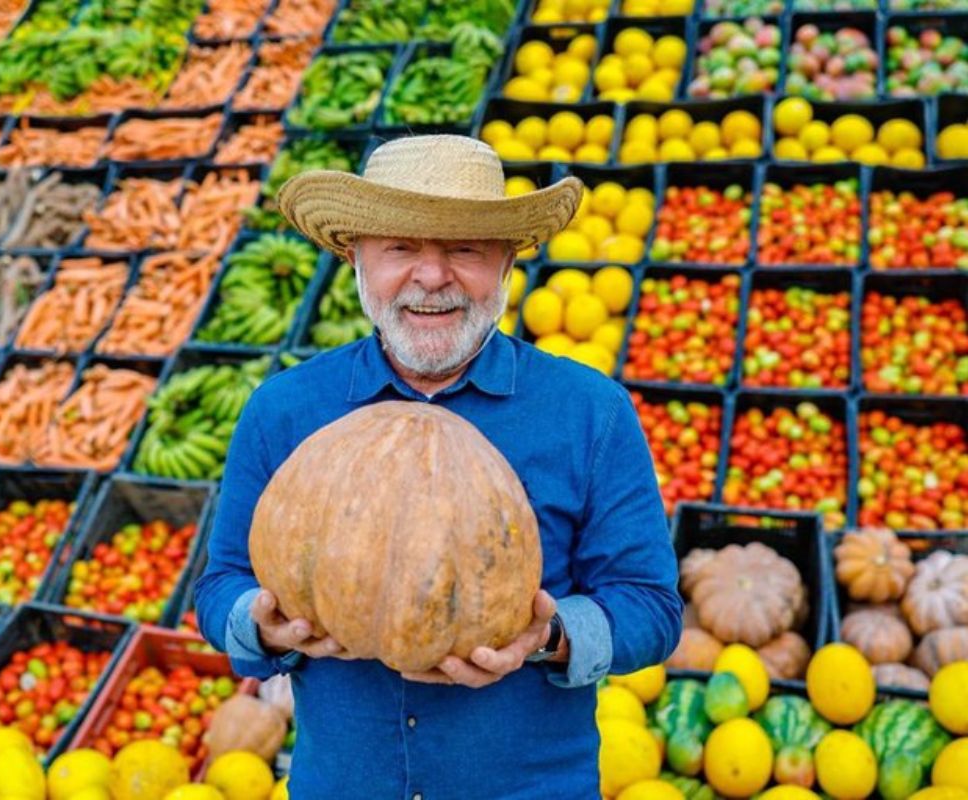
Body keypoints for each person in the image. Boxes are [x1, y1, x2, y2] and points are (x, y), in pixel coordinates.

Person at [194, 134, 683, 799]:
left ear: (506, 263)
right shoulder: (284, 411)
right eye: (399, 247)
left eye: (464, 248)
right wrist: (259, 622)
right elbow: (221, 584)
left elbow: (651, 606)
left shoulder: (591, 412)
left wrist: (551, 636)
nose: (431, 276)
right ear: (356, 258)